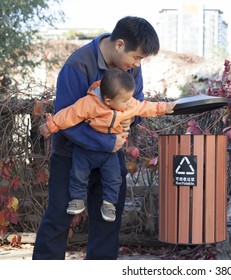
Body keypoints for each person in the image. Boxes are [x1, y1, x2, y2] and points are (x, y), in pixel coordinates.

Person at [32, 16, 160, 260]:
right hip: (71, 156)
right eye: (136, 57)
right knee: (58, 219)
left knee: (107, 222)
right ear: (119, 44)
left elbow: (137, 103)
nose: (136, 64)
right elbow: (66, 121)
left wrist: (131, 119)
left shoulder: (130, 67)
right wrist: (109, 141)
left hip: (110, 160)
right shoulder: (78, 65)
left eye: (140, 60)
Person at [39, 68, 176, 222]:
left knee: (114, 177)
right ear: (108, 100)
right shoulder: (90, 103)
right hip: (87, 149)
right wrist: (50, 126)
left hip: (109, 152)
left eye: (130, 98)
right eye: (125, 100)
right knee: (78, 174)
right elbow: (70, 114)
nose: (129, 103)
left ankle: (109, 203)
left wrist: (166, 107)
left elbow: (146, 107)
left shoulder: (129, 103)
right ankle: (77, 199)